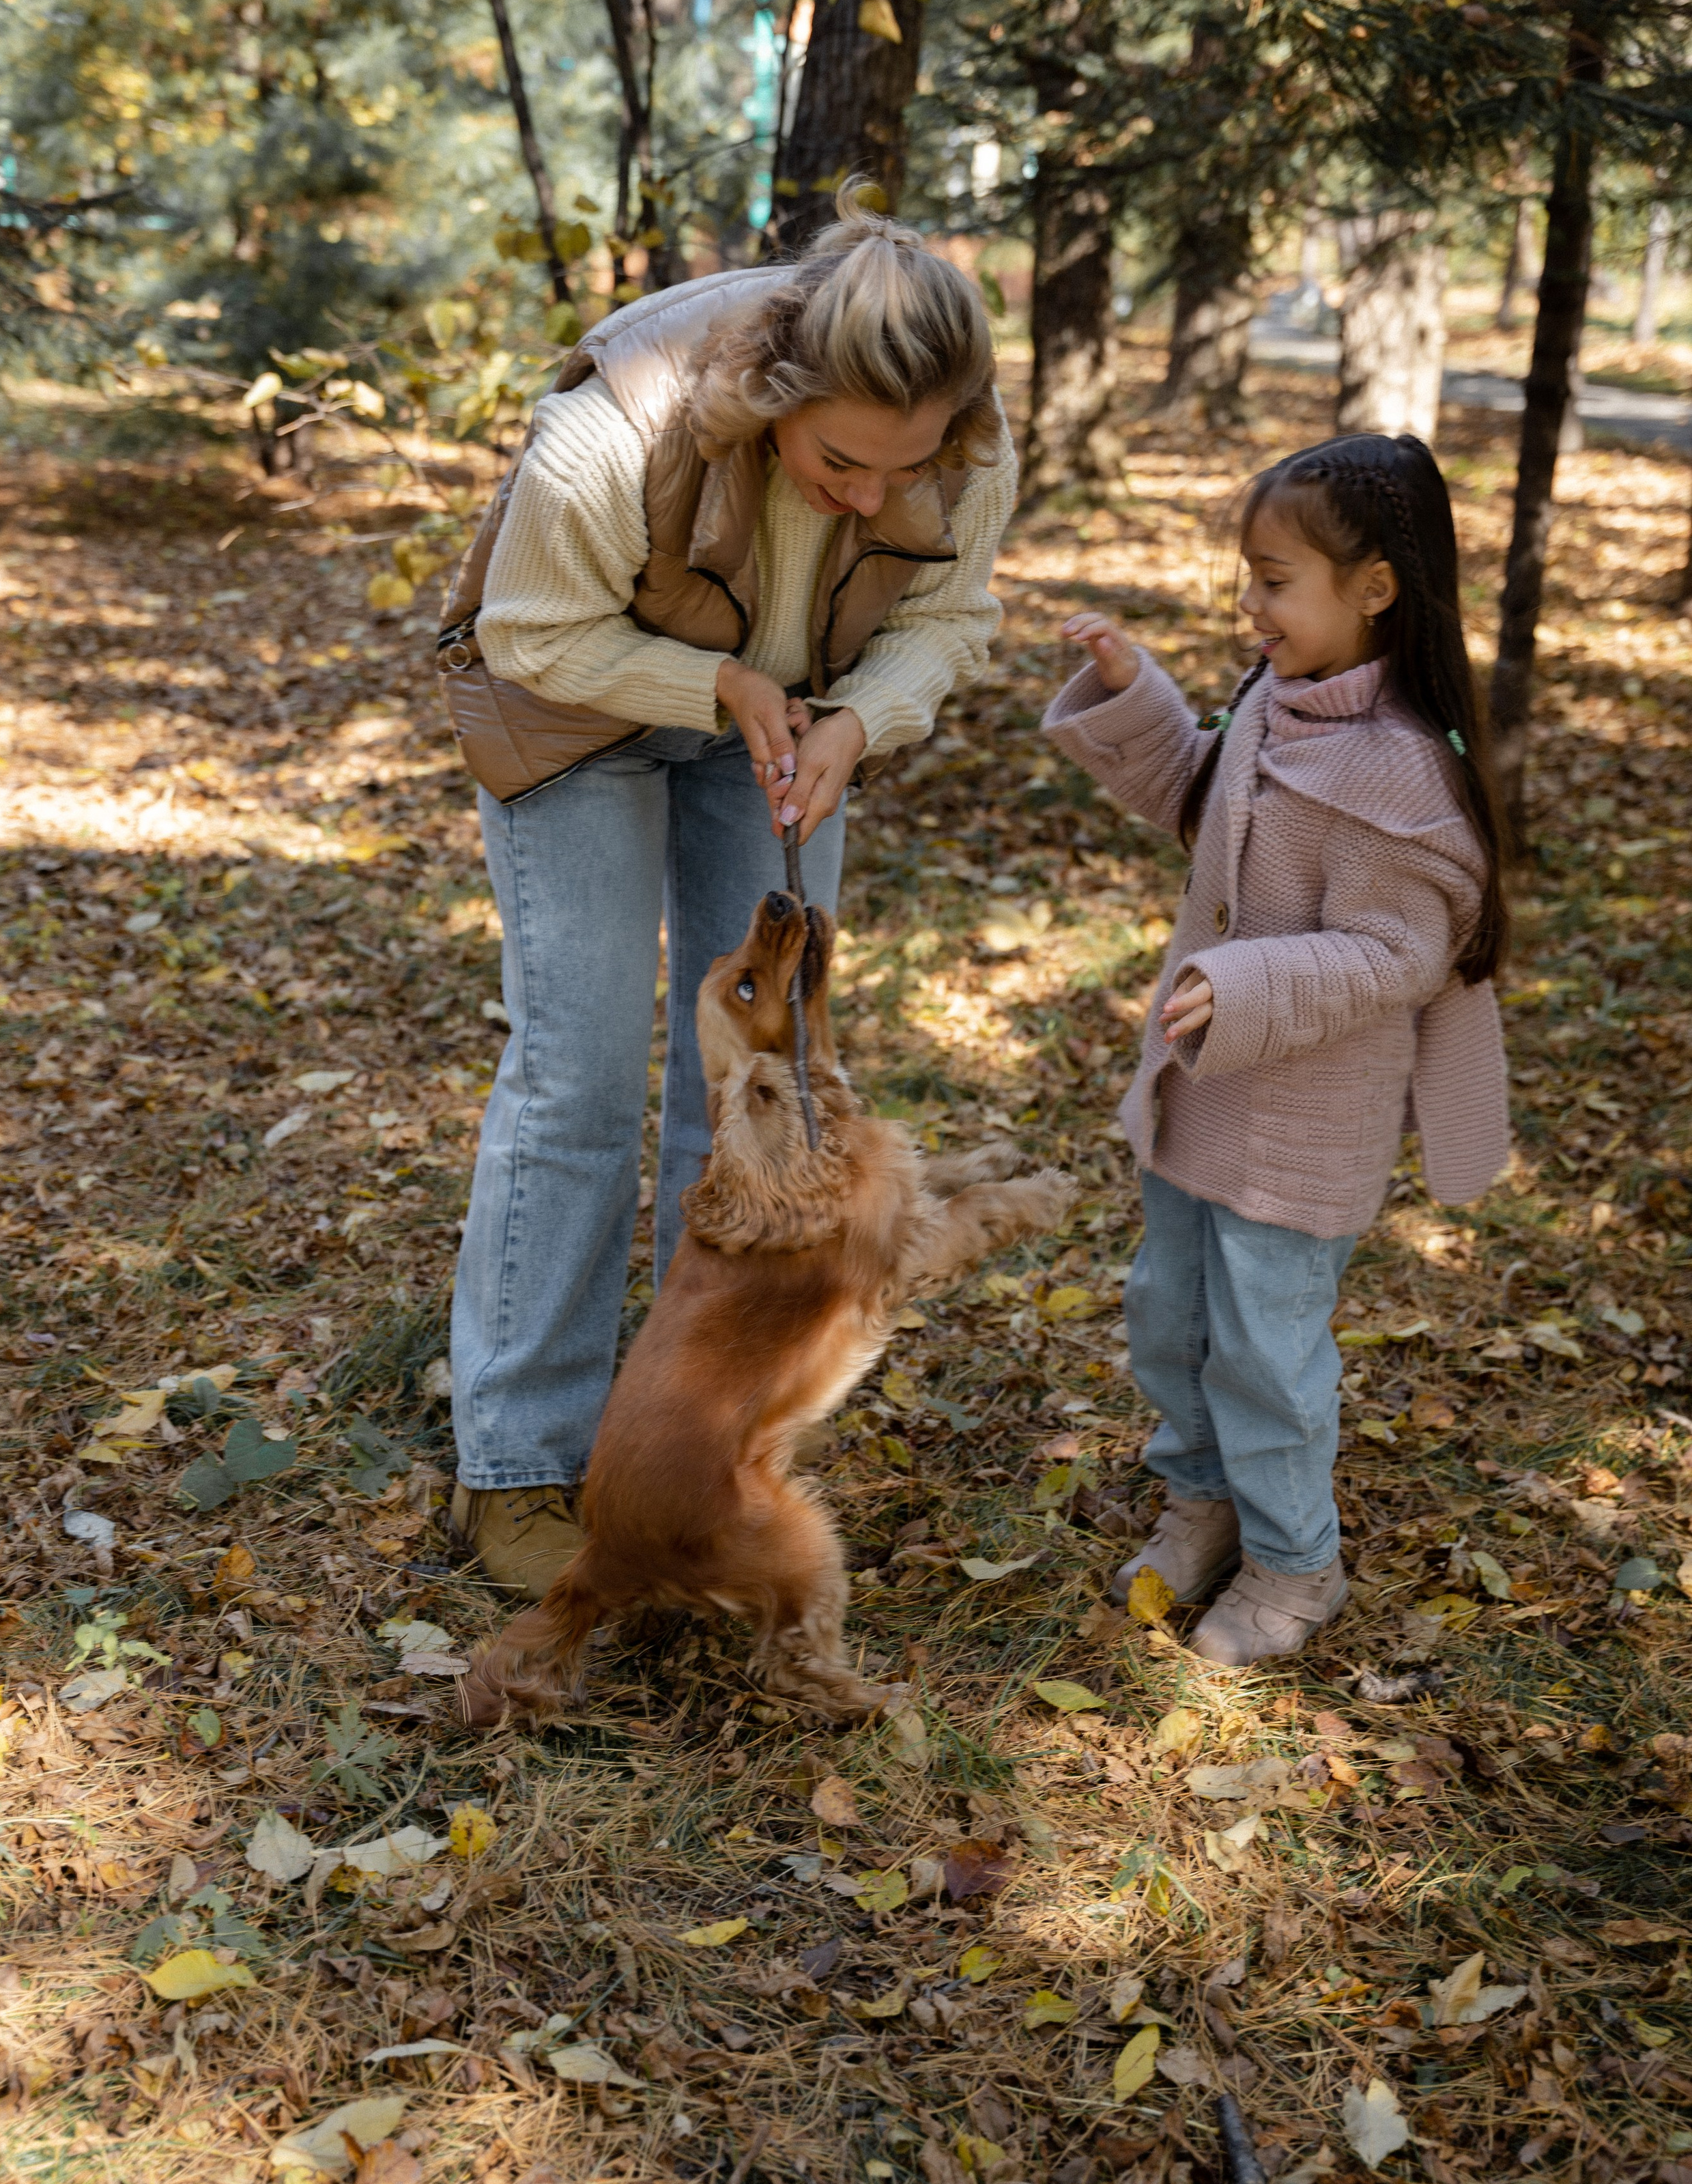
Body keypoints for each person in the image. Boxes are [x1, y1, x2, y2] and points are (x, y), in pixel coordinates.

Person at [448, 192, 1019, 1597]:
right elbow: (526, 633)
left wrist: (856, 721)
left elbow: (947, 618)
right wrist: (713, 682)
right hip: (576, 710)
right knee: (579, 1079)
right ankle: (516, 1461)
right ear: (774, 399)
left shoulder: (964, 445)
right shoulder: (614, 428)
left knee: (765, 1092)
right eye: (840, 462)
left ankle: (685, 1437)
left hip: (787, 722)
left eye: (905, 467)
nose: (871, 498)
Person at [1044, 432, 1510, 1666]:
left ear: (1374, 589)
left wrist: (1242, 981)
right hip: (1205, 1093)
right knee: (1172, 1318)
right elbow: (1202, 805)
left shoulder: (1401, 773)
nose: (1249, 606)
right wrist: (1133, 690)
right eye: (1247, 577)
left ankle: (1297, 1565)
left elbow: (1398, 953)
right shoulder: (1274, 700)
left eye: (1273, 581)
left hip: (1305, 1123)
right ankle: (1203, 1502)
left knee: (1264, 1346)